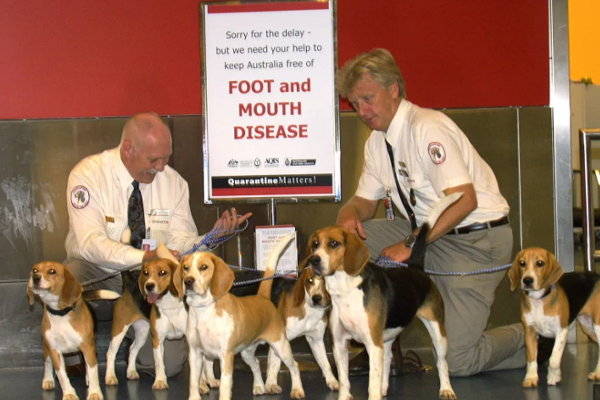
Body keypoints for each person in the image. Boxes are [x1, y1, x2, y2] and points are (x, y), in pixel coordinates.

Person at [335, 49, 527, 377]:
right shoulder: (376, 142)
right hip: (425, 233)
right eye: (355, 104)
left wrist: (411, 246)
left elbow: (464, 200)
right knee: (339, 244)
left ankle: (533, 336)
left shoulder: (428, 128)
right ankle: (376, 338)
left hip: (475, 239)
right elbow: (365, 202)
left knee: (457, 362)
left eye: (368, 99)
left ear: (394, 89)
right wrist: (348, 216)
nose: (362, 111)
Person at [64, 112, 251, 377]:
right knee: (69, 281)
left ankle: (137, 331)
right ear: (128, 148)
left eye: (166, 158)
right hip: (101, 273)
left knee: (169, 367)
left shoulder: (174, 183)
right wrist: (142, 257)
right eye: (154, 159)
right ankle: (71, 348)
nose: (162, 167)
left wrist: (211, 238)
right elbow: (88, 243)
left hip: (157, 281)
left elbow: (181, 243)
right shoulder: (88, 175)